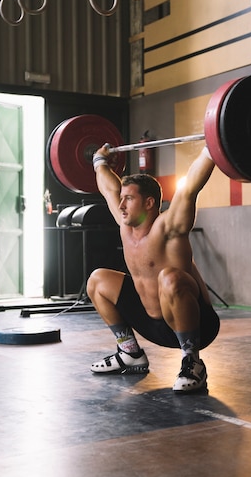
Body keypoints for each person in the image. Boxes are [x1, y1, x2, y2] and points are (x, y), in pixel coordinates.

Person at [86, 143, 220, 393]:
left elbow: (190, 187)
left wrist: (212, 148)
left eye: (129, 198)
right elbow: (107, 188)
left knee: (169, 277)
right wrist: (99, 161)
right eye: (122, 198)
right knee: (98, 280)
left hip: (198, 324)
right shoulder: (125, 226)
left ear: (149, 203)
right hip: (152, 324)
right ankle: (130, 354)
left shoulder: (168, 228)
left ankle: (193, 361)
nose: (121, 204)